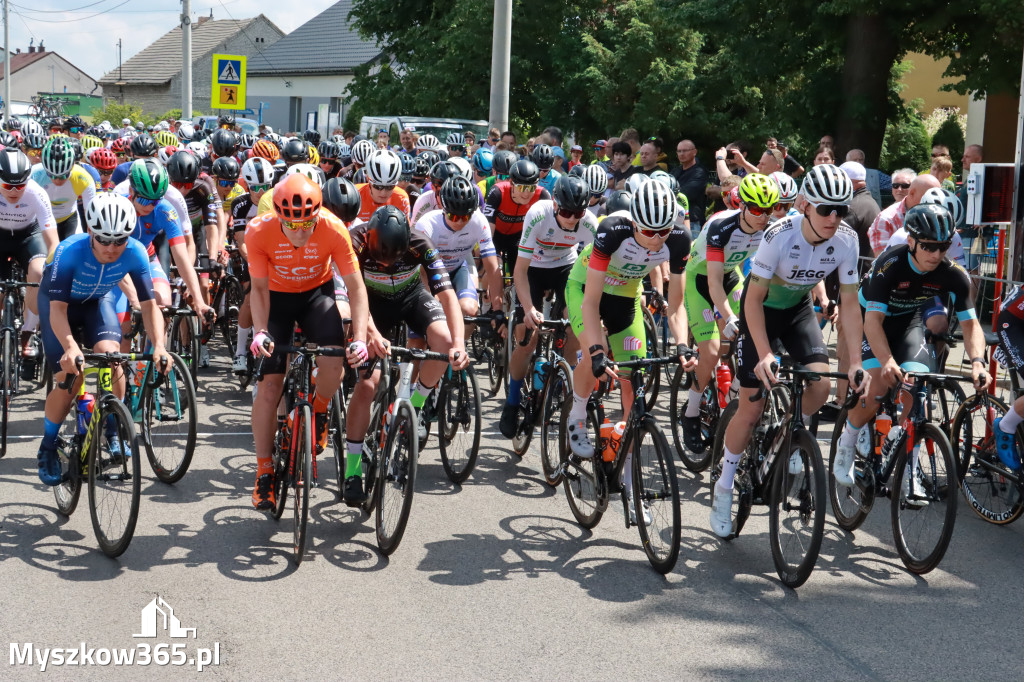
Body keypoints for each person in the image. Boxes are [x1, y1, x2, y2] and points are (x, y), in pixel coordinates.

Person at [709, 164, 868, 537]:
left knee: (820, 387)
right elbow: (753, 299)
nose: (833, 217)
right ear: (803, 204)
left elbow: (849, 304)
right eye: (825, 208)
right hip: (760, 310)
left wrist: (857, 360)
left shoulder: (846, 239)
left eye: (840, 209)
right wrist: (764, 353)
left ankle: (789, 435)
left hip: (797, 309)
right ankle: (723, 486)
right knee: (751, 406)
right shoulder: (779, 235)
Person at [833, 203, 989, 492]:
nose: (936, 254)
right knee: (878, 384)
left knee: (917, 391)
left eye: (943, 246)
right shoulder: (890, 264)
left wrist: (978, 360)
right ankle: (848, 439)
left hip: (909, 323)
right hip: (873, 321)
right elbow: (873, 323)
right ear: (912, 241)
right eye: (929, 246)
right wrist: (888, 360)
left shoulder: (952, 273)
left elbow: (971, 324)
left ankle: (909, 470)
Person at [246, 175, 369, 509]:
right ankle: (264, 471)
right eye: (292, 224)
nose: (300, 232)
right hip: (276, 300)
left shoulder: (333, 228)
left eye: (307, 223)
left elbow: (356, 288)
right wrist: (260, 331)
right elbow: (257, 290)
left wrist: (359, 339)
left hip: (317, 295)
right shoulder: (259, 230)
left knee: (334, 360)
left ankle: (319, 408)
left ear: (319, 214)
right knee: (270, 388)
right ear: (279, 216)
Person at [35, 193, 171, 485]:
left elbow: (149, 306)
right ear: (91, 233)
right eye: (104, 240)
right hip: (61, 307)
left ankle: (112, 422)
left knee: (113, 356)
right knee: (70, 378)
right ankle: (47, 445)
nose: (111, 248)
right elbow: (57, 310)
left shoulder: (134, 253)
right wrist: (70, 347)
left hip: (98, 301)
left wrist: (159, 345)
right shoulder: (68, 252)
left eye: (119, 240)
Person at [342, 206, 469, 504]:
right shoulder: (355, 241)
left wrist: (459, 345)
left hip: (411, 297)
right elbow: (354, 295)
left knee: (444, 342)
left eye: (393, 260)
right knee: (368, 384)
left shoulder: (420, 242)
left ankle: (414, 405)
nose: (387, 265)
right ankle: (352, 470)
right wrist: (372, 334)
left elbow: (448, 296)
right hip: (370, 304)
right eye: (381, 260)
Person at [680, 174, 779, 453]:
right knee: (711, 351)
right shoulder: (721, 227)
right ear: (744, 206)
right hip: (701, 280)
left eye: (769, 210)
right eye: (757, 209)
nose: (763, 216)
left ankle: (735, 392)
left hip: (731, 276)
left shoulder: (769, 229)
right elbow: (712, 282)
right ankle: (691, 409)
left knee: (756, 339)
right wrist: (729, 316)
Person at [498, 175, 598, 437]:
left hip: (567, 268)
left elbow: (595, 272)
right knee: (527, 336)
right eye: (566, 211)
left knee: (574, 327)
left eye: (578, 212)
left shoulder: (589, 223)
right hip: (533, 268)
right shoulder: (538, 214)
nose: (572, 218)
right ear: (555, 204)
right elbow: (519, 271)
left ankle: (564, 387)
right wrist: (529, 308)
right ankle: (511, 400)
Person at [868, 174, 939, 256]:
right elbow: (883, 260)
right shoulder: (886, 219)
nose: (935, 201)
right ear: (912, 193)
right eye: (930, 196)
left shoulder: (939, 215)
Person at [356, 149, 411, 221]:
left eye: (390, 187)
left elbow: (405, 231)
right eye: (378, 187)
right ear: (368, 179)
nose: (383, 192)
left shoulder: (401, 198)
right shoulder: (355, 196)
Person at [671, 139, 709, 230]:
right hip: (673, 220)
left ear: (694, 152)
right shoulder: (676, 171)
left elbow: (686, 193)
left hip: (692, 222)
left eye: (685, 151)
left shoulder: (700, 172)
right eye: (679, 151)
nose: (681, 154)